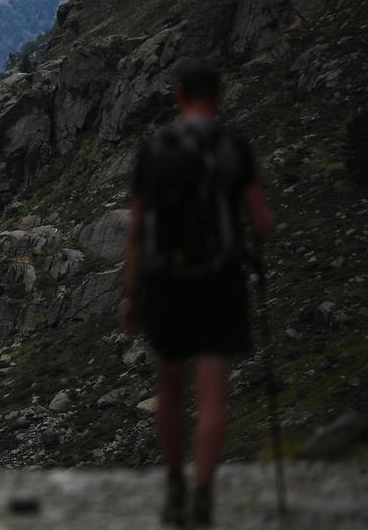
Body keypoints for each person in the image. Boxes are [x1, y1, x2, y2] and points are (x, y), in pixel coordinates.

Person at [119, 64, 275, 527]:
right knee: (212, 397)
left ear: (178, 96)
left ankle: (173, 486)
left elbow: (136, 231)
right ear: (219, 97)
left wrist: (131, 295)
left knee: (169, 387)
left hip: (167, 282)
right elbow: (263, 222)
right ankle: (203, 492)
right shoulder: (234, 147)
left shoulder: (155, 150)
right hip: (219, 281)